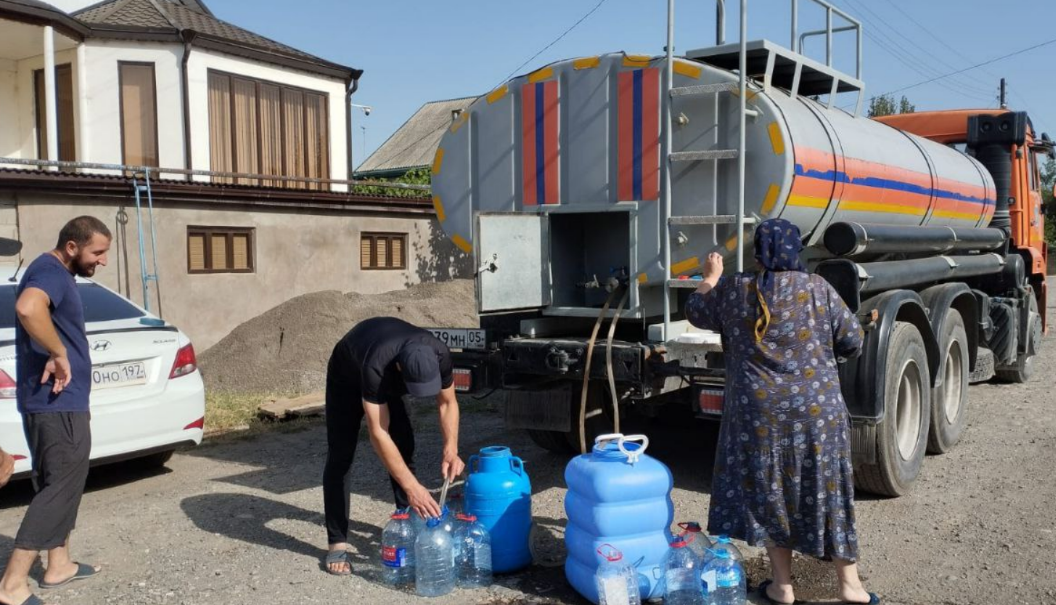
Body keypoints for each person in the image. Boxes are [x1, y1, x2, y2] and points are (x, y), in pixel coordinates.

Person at [685, 219, 879, 605]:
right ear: (796, 251)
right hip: (817, 414)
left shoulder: (735, 289)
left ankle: (783, 588)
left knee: (769, 492)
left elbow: (694, 310)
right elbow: (853, 342)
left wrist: (710, 276)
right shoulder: (818, 289)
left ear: (758, 253)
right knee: (827, 490)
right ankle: (850, 587)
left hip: (757, 417)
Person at [0, 217, 110, 605]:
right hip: (56, 401)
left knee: (62, 481)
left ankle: (58, 564)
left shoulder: (53, 271)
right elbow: (29, 308)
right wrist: (59, 352)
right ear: (71, 247)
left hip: (59, 401)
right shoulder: (49, 271)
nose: (103, 261)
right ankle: (12, 585)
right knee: (60, 486)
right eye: (97, 252)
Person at [322, 316, 465, 575]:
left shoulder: (440, 352)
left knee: (405, 445)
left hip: (385, 371)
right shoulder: (377, 365)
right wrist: (413, 487)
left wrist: (450, 449)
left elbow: (447, 403)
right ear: (400, 368)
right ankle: (337, 541)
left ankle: (406, 517)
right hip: (348, 374)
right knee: (341, 456)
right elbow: (378, 432)